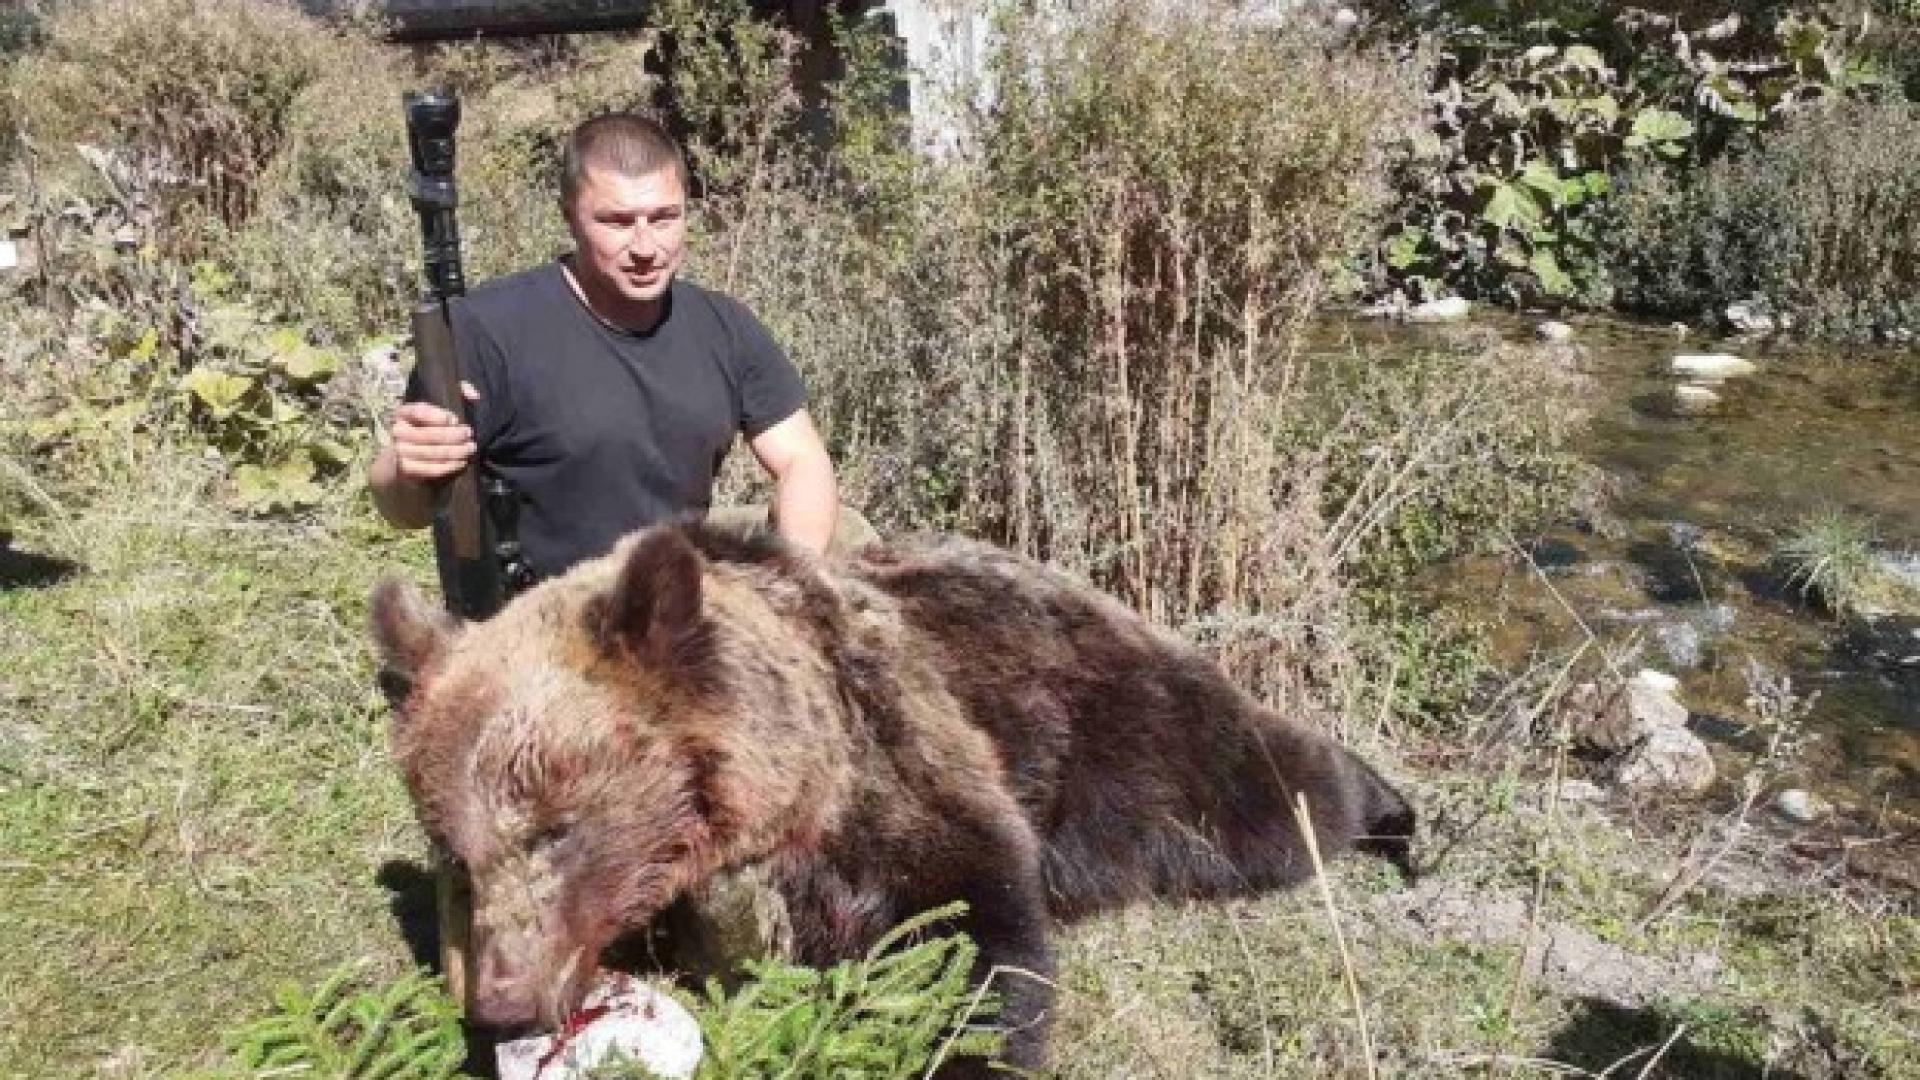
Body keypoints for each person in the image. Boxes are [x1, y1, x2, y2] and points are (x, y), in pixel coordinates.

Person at [370, 112, 848, 578]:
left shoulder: (724, 325)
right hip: (545, 620)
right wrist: (406, 468)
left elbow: (801, 458)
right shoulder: (486, 328)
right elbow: (403, 509)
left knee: (853, 540)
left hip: (673, 606)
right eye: (617, 223)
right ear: (570, 219)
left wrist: (795, 582)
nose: (645, 247)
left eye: (663, 218)